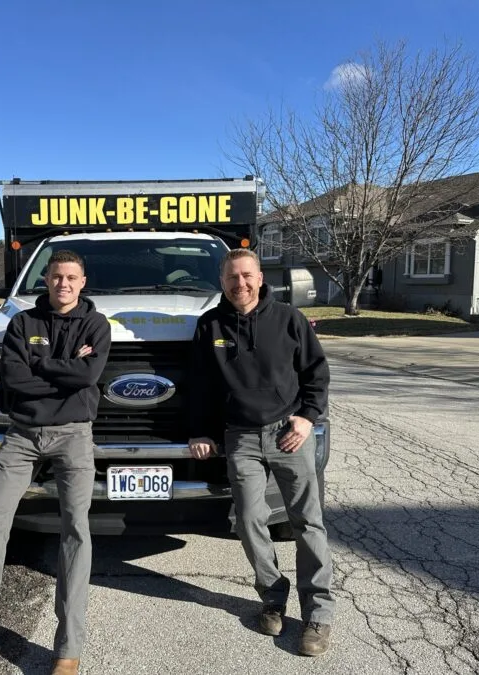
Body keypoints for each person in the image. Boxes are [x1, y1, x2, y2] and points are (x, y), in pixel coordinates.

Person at [0, 249, 111, 675]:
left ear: (83, 282)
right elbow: (14, 379)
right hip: (22, 436)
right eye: (56, 276)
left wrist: (40, 365)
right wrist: (62, 368)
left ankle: (68, 649)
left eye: (72, 277)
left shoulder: (96, 324)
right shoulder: (22, 322)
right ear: (46, 279)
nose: (64, 284)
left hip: (75, 436)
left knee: (76, 530)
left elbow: (87, 378)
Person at [187, 248, 334, 657]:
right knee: (249, 519)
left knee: (307, 521)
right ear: (222, 281)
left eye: (247, 275)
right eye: (232, 277)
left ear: (260, 277)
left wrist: (306, 417)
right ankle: (273, 597)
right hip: (240, 437)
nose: (241, 284)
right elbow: (200, 385)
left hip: (290, 433)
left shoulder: (290, 319)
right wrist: (200, 430)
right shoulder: (209, 326)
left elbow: (316, 373)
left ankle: (318, 615)